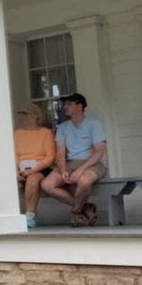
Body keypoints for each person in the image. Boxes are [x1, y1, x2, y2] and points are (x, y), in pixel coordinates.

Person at [41, 93, 108, 227]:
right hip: (71, 163)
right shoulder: (63, 127)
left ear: (80, 105)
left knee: (83, 181)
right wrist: (63, 169)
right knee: (46, 185)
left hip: (92, 162)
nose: (65, 107)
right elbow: (60, 152)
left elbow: (99, 151)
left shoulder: (94, 124)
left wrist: (80, 170)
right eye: (64, 104)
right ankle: (85, 207)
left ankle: (76, 212)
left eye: (69, 104)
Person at [13, 102, 56, 229]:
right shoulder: (17, 133)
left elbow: (50, 157)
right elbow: (14, 154)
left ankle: (29, 216)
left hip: (40, 167)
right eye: (21, 115)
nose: (23, 117)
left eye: (25, 114)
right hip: (21, 167)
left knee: (33, 180)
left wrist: (32, 170)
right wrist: (15, 171)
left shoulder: (45, 133)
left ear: (36, 116)